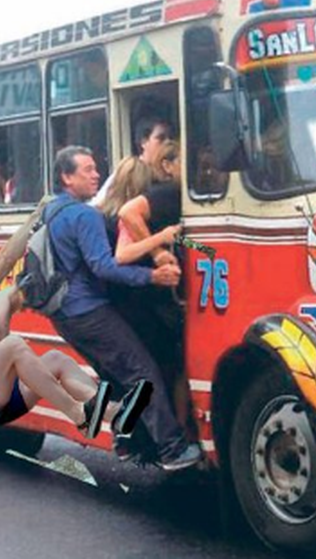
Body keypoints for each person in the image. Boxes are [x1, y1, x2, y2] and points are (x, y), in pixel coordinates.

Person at [0, 200, 152, 438]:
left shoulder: (0, 304)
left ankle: (114, 414)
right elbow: (3, 262)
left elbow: (30, 283)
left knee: (56, 359)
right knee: (13, 345)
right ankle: (78, 415)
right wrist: (35, 216)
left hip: (1, 404)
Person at [47, 145, 202, 471]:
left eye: (96, 168)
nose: (96, 175)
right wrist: (152, 275)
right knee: (142, 374)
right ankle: (172, 449)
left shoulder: (53, 210)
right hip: (89, 310)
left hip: (64, 315)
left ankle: (126, 439)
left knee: (119, 376)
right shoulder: (85, 215)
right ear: (66, 177)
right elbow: (105, 265)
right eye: (88, 170)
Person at [117, 141, 188, 424]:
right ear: (167, 166)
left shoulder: (181, 194)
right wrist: (158, 251)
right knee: (169, 367)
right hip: (152, 298)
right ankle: (173, 433)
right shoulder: (169, 193)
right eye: (185, 160)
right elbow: (127, 214)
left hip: (156, 295)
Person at [91, 115, 172, 207]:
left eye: (170, 137)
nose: (168, 142)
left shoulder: (171, 171)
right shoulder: (129, 171)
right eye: (161, 138)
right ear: (144, 142)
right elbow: (98, 204)